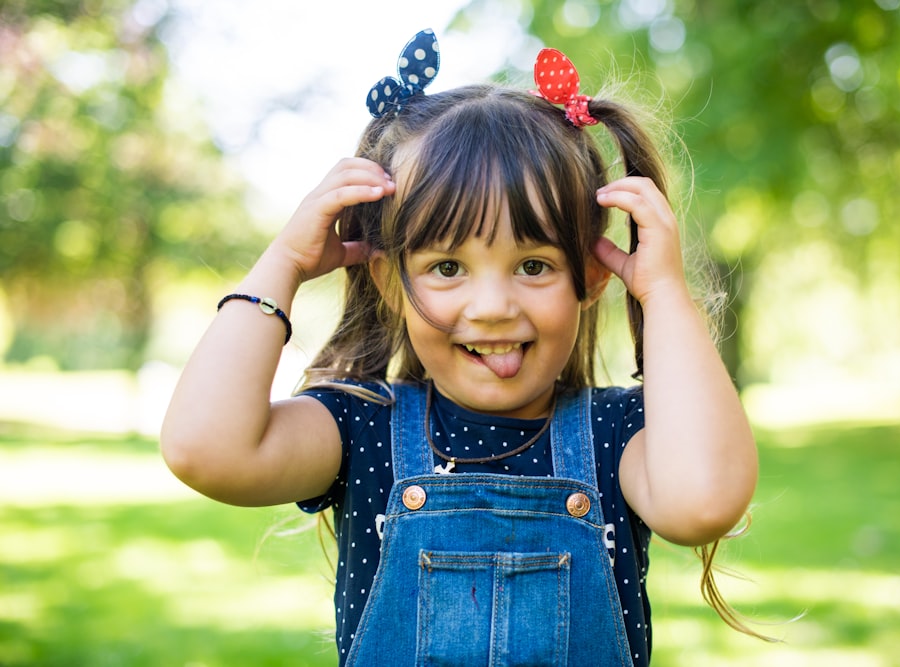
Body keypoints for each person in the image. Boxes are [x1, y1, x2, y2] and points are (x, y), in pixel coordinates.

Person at [161, 28, 759, 666]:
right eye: (448, 267)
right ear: (390, 282)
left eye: (533, 266)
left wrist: (664, 293)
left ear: (591, 276)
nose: (494, 306)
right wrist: (281, 262)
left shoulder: (620, 437)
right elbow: (205, 449)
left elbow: (704, 503)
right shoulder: (363, 428)